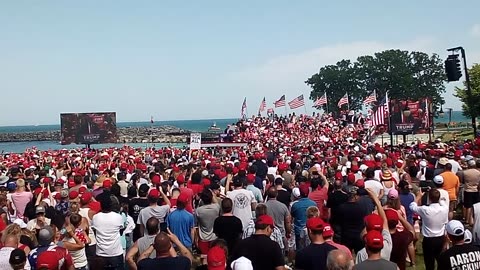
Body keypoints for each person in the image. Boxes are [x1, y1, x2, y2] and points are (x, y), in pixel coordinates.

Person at [410, 188, 448, 270]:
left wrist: (418, 196)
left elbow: (412, 206)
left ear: (429, 198)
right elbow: (443, 202)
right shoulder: (444, 208)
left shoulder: (425, 209)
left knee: (429, 264)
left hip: (429, 240)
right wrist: (438, 197)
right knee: (441, 261)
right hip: (440, 238)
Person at [91, 192, 125, 270]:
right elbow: (121, 230)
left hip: (101, 253)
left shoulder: (96, 217)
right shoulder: (118, 217)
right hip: (115, 253)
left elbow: (95, 232)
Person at [337, 186, 370, 253]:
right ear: (355, 196)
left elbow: (338, 222)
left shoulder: (341, 207)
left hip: (346, 236)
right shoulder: (361, 208)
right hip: (358, 237)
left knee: (346, 257)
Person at [195, 188, 221, 255]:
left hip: (203, 238)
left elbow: (196, 224)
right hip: (214, 237)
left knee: (204, 258)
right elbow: (216, 202)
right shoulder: (216, 208)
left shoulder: (198, 211)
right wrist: (212, 194)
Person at [291, 183, 316, 250]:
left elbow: (292, 217)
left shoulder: (295, 205)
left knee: (300, 250)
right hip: (310, 231)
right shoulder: (313, 203)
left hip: (299, 230)